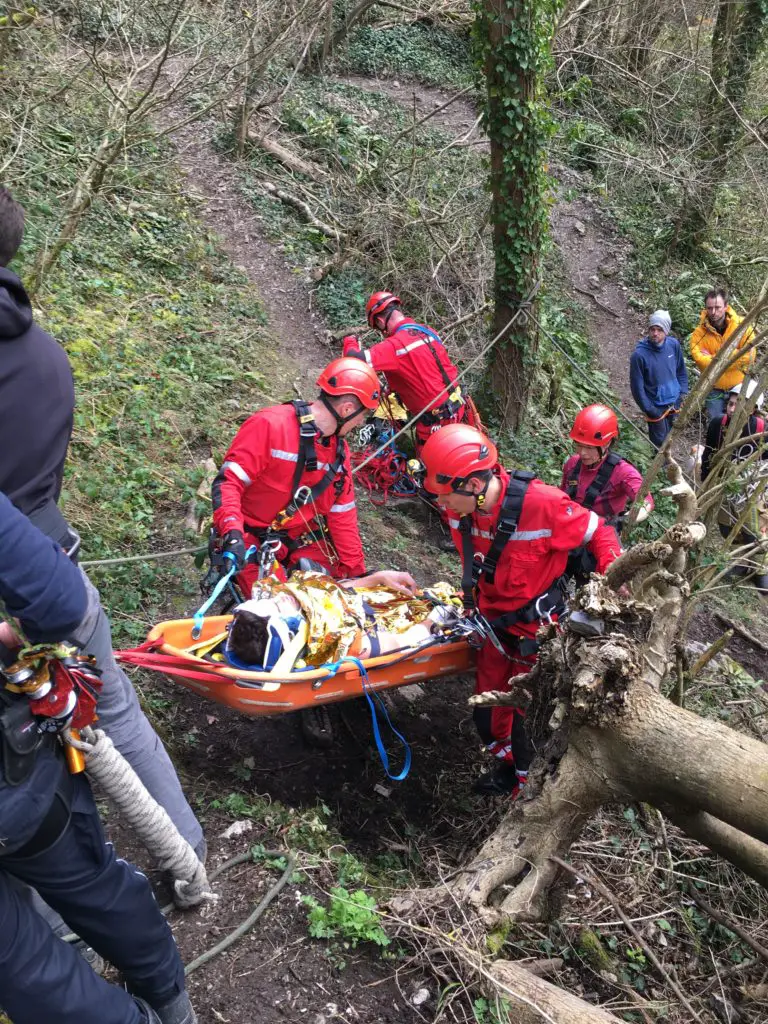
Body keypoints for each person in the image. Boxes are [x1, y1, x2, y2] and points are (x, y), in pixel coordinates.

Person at [0, 187, 204, 858]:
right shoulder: (45, 355)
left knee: (30, 748)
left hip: (18, 589)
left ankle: (67, 917)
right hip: (56, 561)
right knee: (111, 713)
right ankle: (185, 850)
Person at [0, 490, 196, 1024]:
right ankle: (171, 1008)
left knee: (23, 967)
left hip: (16, 779)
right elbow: (59, 599)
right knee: (93, 882)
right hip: (20, 780)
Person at [419, 424, 622, 796]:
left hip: (538, 633)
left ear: (475, 486)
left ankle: (527, 795)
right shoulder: (460, 511)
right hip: (493, 627)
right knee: (487, 715)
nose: (442, 506)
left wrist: (611, 587)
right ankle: (508, 768)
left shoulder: (543, 504)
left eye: (446, 497)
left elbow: (600, 533)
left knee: (526, 723)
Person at [212, 357, 380, 595]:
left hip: (292, 540)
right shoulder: (270, 425)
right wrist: (232, 535)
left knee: (343, 586)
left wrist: (357, 575)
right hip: (249, 538)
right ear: (347, 409)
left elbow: (343, 517)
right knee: (281, 605)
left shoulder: (338, 456)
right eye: (362, 415)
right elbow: (229, 483)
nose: (361, 422)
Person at [226, 569, 458, 669]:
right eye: (279, 605)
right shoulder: (344, 645)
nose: (283, 597)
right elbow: (404, 643)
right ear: (289, 631)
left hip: (380, 599)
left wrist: (377, 577)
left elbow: (331, 592)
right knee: (452, 599)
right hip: (407, 615)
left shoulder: (302, 610)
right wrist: (432, 622)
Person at [341, 291, 474, 454]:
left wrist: (350, 340)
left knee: (433, 469)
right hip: (459, 406)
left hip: (434, 421)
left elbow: (353, 358)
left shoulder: (395, 345)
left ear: (380, 321)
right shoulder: (428, 331)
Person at [560, 404, 653, 580]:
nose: (583, 453)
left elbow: (645, 500)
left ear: (607, 443)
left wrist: (629, 516)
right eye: (578, 445)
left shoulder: (623, 472)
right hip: (569, 534)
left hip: (599, 542)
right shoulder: (572, 464)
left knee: (593, 589)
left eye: (589, 447)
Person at [701, 380, 768, 594]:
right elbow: (709, 455)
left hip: (749, 484)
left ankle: (760, 570)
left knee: (752, 528)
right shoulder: (718, 425)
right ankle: (740, 560)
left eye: (738, 404)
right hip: (723, 482)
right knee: (725, 526)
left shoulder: (761, 430)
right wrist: (705, 482)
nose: (732, 409)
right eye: (730, 404)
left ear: (753, 409)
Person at [690, 288, 756, 419]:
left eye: (717, 307)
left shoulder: (742, 326)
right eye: (709, 308)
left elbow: (750, 356)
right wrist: (735, 354)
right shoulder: (699, 333)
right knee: (715, 425)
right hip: (714, 388)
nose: (713, 312)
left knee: (737, 425)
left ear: (726, 306)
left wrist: (713, 357)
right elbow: (700, 361)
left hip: (739, 387)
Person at [629, 309, 689, 448]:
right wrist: (649, 409)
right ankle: (660, 468)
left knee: (670, 440)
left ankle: (669, 466)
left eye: (660, 329)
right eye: (652, 329)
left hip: (674, 403)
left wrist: (682, 393)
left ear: (666, 331)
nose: (655, 333)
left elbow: (681, 370)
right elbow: (637, 388)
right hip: (656, 407)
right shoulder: (639, 356)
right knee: (659, 445)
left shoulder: (673, 345)